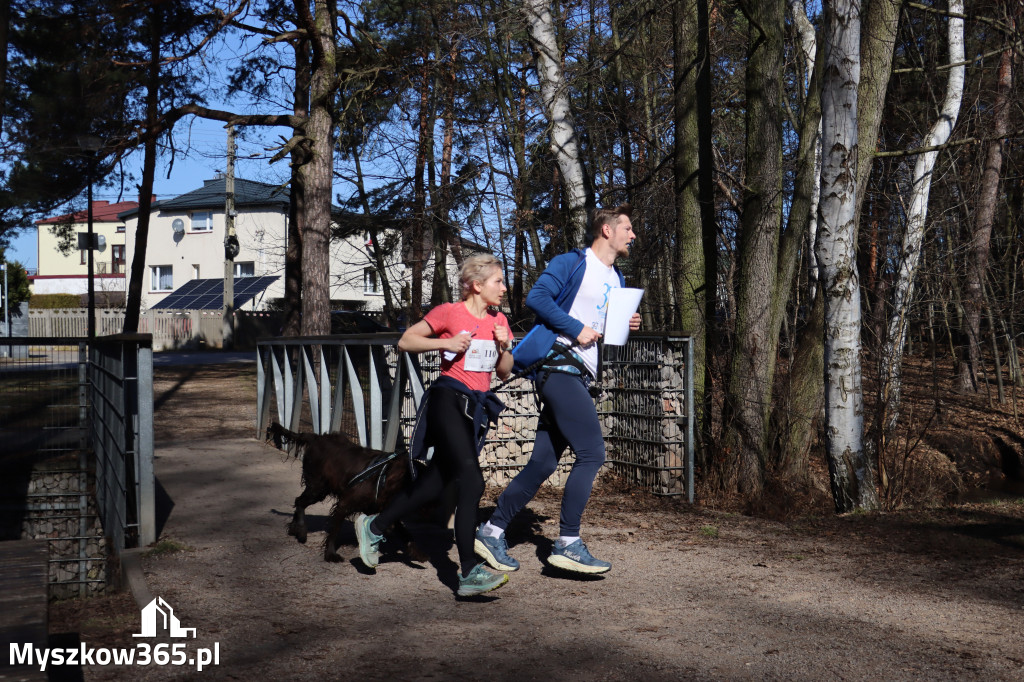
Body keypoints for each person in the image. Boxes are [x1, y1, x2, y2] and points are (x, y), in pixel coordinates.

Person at [474, 203, 641, 575]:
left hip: (581, 373)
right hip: (558, 368)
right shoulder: (572, 263)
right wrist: (574, 327)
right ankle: (567, 542)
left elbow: (606, 332)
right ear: (606, 230)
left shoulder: (617, 279)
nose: (633, 235)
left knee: (544, 462)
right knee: (592, 454)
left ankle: (491, 529)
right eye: (627, 228)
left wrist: (625, 322)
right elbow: (537, 299)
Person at [354, 253, 515, 597]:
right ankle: (469, 570)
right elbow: (406, 341)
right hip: (447, 399)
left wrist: (505, 347)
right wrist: (445, 342)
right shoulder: (448, 313)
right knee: (471, 479)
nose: (504, 287)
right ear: (476, 285)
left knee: (436, 481)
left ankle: (374, 525)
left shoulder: (498, 320)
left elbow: (503, 371)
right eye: (498, 281)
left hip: (476, 408)